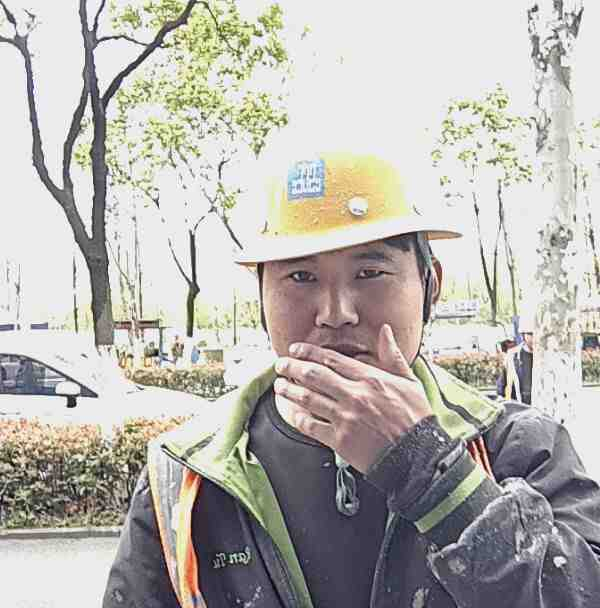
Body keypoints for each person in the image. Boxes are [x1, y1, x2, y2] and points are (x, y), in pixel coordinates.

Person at [103, 151, 600, 608]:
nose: (336, 313)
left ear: (431, 285)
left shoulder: (517, 446)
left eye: (370, 273)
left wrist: (429, 469)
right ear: (260, 294)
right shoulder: (187, 475)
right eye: (301, 277)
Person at [496, 313, 534, 404]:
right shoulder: (513, 356)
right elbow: (503, 384)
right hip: (522, 407)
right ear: (523, 335)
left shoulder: (550, 357)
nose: (534, 338)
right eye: (531, 334)